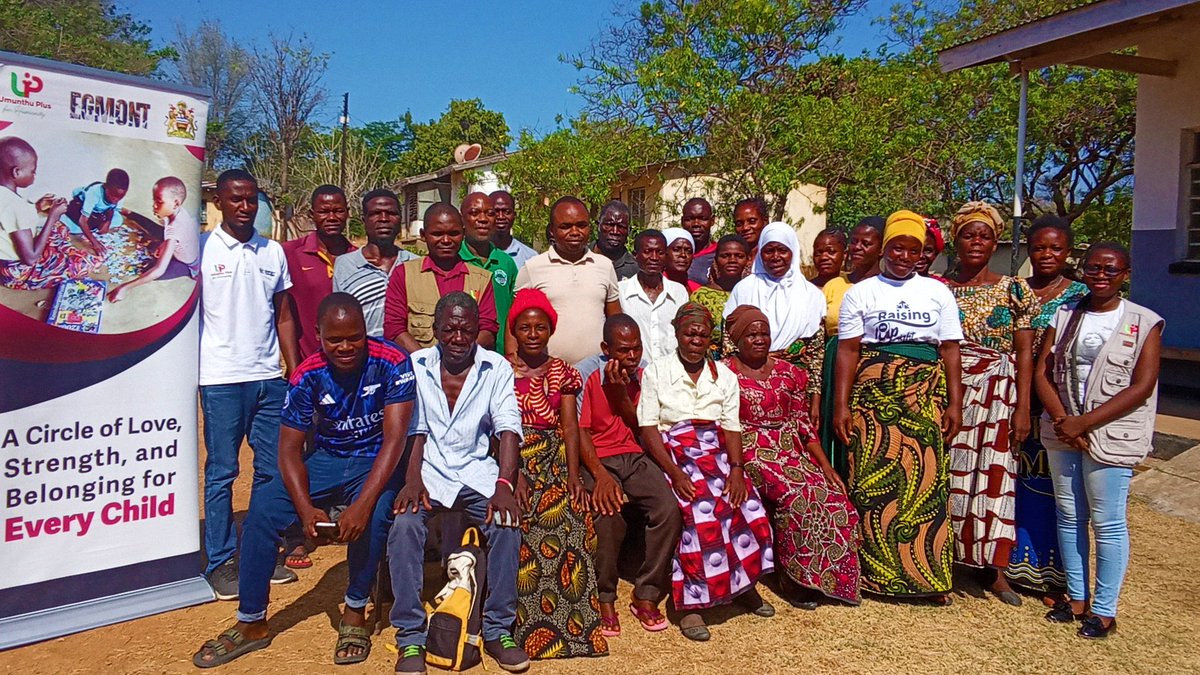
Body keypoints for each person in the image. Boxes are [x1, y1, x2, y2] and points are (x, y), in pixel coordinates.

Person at [192, 295, 416, 668]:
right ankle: (252, 621)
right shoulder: (307, 373)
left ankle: (355, 610)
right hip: (327, 459)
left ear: (366, 332)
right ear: (319, 336)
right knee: (262, 510)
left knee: (375, 516)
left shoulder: (392, 361)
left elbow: (394, 441)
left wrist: (359, 507)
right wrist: (305, 509)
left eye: (355, 337)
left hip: (373, 458)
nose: (346, 347)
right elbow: (289, 450)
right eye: (335, 340)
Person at [388, 292, 529, 674]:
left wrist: (504, 483)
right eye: (449, 329)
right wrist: (412, 479)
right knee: (403, 526)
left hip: (475, 471)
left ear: (477, 331)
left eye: (466, 329)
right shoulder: (416, 365)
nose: (457, 337)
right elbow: (413, 429)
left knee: (505, 523)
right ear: (435, 330)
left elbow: (508, 427)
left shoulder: (495, 368)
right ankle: (411, 637)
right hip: (429, 472)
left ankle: (498, 629)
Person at [833, 211, 963, 604]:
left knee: (925, 482)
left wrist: (955, 403)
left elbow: (951, 350)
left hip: (923, 393)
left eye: (914, 249)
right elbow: (848, 351)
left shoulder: (938, 292)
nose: (905, 256)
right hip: (873, 397)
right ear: (885, 249)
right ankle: (874, 577)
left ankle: (927, 579)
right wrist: (841, 405)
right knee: (875, 482)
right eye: (897, 248)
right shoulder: (862, 292)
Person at [1034, 242, 1163, 640]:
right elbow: (1043, 371)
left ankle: (1104, 610)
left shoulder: (1145, 322)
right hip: (1063, 428)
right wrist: (1062, 420)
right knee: (1070, 516)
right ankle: (1076, 598)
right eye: (1093, 268)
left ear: (1125, 273)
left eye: (1111, 269)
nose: (1101, 275)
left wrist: (1085, 422)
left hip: (1111, 433)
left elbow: (1142, 386)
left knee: (1107, 522)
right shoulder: (1067, 313)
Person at [637, 302, 775, 641]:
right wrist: (675, 472)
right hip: (675, 450)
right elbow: (649, 427)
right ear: (677, 334)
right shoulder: (658, 371)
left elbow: (731, 425)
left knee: (747, 504)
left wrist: (737, 470)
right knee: (699, 511)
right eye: (689, 333)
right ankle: (690, 603)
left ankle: (741, 584)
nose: (695, 340)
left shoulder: (724, 376)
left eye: (702, 335)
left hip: (714, 449)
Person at [198, 168, 301, 599]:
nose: (245, 206)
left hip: (268, 378)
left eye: (251, 199)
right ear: (219, 201)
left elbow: (283, 315)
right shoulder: (201, 251)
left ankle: (261, 551)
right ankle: (221, 561)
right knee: (223, 472)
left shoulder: (272, 252)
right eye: (236, 199)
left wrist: (293, 371)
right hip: (220, 378)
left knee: (270, 469)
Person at [724, 305, 860, 608]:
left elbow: (802, 424)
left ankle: (830, 578)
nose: (760, 339)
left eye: (764, 333)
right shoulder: (723, 373)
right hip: (749, 448)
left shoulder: (790, 373)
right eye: (751, 335)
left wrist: (825, 465)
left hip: (789, 449)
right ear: (737, 340)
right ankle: (795, 579)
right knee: (797, 496)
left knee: (831, 494)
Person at [945, 201, 1039, 606]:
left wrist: (1022, 407)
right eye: (969, 234)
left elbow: (1025, 353)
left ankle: (995, 569)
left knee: (996, 477)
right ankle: (945, 559)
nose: (977, 242)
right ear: (956, 239)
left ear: (996, 240)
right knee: (949, 473)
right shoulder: (938, 287)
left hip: (998, 394)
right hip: (951, 391)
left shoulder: (1014, 289)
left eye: (984, 235)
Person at [506, 289, 607, 659]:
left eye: (540, 327)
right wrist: (513, 476)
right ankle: (526, 632)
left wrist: (574, 478)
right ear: (514, 331)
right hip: (513, 458)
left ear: (551, 330)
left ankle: (577, 631)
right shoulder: (502, 371)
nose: (533, 334)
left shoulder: (563, 372)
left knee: (574, 525)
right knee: (525, 531)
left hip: (554, 459)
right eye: (525, 327)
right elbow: (502, 429)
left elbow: (568, 428)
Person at [577, 315, 680, 636]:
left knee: (668, 509)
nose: (632, 356)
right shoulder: (588, 374)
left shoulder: (644, 374)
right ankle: (605, 595)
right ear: (606, 348)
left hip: (634, 455)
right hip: (598, 458)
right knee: (609, 514)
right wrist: (598, 474)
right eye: (624, 350)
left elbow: (641, 426)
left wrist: (621, 394)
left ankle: (646, 592)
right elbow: (579, 432)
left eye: (636, 348)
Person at [1007, 214, 1088, 594]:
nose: (1046, 254)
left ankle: (1058, 574)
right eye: (1038, 247)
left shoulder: (1082, 296)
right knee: (1016, 484)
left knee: (1058, 490)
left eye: (1055, 248)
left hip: (1060, 404)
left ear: (1067, 252)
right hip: (1014, 399)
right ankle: (1011, 563)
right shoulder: (1014, 289)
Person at [723, 222, 826, 413]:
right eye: (769, 250)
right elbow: (728, 344)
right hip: (746, 385)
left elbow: (816, 355)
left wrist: (815, 401)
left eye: (782, 250)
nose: (776, 257)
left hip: (795, 387)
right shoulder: (745, 289)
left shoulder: (812, 295)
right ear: (760, 253)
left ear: (793, 251)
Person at [516, 196, 621, 364]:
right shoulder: (532, 268)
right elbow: (514, 321)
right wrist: (514, 363)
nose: (574, 232)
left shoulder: (605, 266)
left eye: (581, 225)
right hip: (549, 374)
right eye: (565, 226)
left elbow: (616, 320)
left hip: (596, 373)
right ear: (552, 230)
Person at [384, 202, 499, 353]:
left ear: (463, 234)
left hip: (468, 369)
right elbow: (394, 328)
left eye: (453, 234)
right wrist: (429, 364)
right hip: (419, 370)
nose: (446, 240)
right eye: (437, 234)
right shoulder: (404, 275)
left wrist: (461, 359)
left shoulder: (481, 279)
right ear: (424, 235)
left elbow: (488, 330)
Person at [0, 136, 99, 290]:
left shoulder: (5, 196)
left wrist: (37, 208)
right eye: (33, 171)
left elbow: (9, 220)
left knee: (59, 229)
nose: (34, 175)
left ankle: (57, 253)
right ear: (16, 172)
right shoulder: (16, 206)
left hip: (3, 260)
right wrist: (52, 217)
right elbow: (31, 259)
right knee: (83, 265)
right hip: (17, 272)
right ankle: (57, 259)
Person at [283, 185, 356, 359]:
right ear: (311, 214)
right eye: (324, 212)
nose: (332, 217)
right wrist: (294, 369)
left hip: (350, 363)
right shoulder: (289, 253)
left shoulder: (358, 257)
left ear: (347, 213)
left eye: (338, 211)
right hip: (306, 364)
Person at [332, 188, 418, 338]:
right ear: (364, 220)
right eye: (375, 213)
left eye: (391, 213)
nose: (384, 218)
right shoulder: (345, 265)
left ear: (400, 218)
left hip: (408, 357)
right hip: (365, 358)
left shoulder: (415, 264)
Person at [107, 176, 200, 302]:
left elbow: (159, 271)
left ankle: (187, 272)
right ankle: (129, 213)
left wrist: (124, 287)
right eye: (154, 200)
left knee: (148, 270)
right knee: (154, 228)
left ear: (176, 203)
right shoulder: (177, 212)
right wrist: (163, 245)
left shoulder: (174, 230)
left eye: (159, 202)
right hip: (183, 245)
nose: (154, 206)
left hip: (187, 264)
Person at [461, 191, 519, 354]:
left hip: (501, 357)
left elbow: (515, 314)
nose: (483, 219)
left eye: (489, 214)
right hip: (462, 357)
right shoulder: (454, 259)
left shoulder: (506, 262)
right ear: (462, 220)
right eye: (474, 213)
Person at [619, 229, 689, 361]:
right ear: (635, 255)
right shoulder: (621, 292)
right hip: (635, 373)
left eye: (660, 252)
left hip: (670, 374)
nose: (654, 257)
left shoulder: (679, 293)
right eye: (647, 252)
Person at [688, 234, 750, 359]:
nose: (732, 260)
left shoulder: (754, 293)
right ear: (715, 260)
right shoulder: (701, 296)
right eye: (725, 256)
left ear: (748, 260)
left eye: (739, 256)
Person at [61, 167, 129, 254]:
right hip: (79, 208)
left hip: (98, 214)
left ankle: (94, 226)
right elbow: (82, 221)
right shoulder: (94, 193)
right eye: (112, 195)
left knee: (118, 219)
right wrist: (95, 242)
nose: (115, 199)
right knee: (73, 229)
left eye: (120, 197)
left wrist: (107, 223)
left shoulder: (119, 195)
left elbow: (112, 209)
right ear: (105, 187)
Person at [809, 227, 850, 336]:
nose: (824, 257)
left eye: (831, 252)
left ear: (844, 255)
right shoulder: (804, 289)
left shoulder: (852, 288)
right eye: (819, 253)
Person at [490, 189, 538, 269]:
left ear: (514, 215)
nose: (501, 217)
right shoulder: (476, 253)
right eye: (495, 211)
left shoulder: (530, 258)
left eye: (507, 212)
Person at [592, 200, 638, 280]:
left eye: (621, 227)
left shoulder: (636, 270)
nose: (615, 232)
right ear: (598, 226)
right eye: (610, 225)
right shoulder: (579, 259)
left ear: (629, 231)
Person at [682, 197, 716, 285]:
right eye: (689, 219)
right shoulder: (669, 256)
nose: (696, 224)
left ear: (712, 221)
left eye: (703, 218)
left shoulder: (721, 256)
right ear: (682, 221)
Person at [662, 227, 699, 292]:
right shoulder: (654, 287)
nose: (683, 255)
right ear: (664, 252)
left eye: (688, 251)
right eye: (676, 250)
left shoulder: (697, 290)